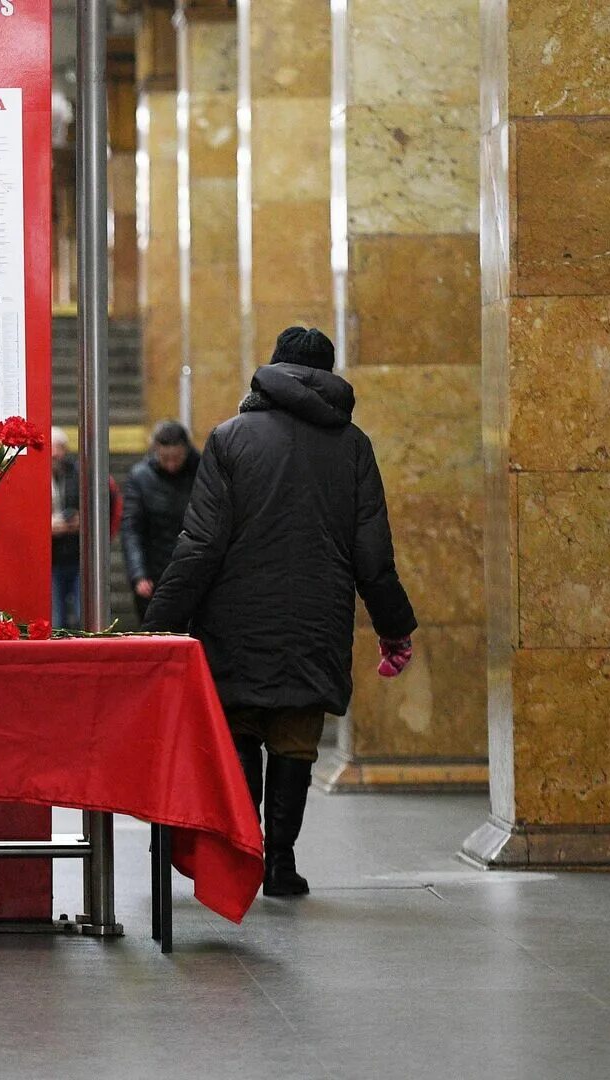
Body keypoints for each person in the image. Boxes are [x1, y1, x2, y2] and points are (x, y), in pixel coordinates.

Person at [143, 326, 416, 897]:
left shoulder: (230, 438)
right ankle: (280, 864)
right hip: (317, 621)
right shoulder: (354, 446)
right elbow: (373, 552)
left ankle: (243, 851)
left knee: (240, 728)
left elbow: (200, 544)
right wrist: (394, 626)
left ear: (272, 369)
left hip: (235, 621)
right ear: (332, 376)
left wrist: (160, 624)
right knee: (295, 741)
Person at [120, 420, 199, 624]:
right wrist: (138, 574)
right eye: (165, 458)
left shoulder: (202, 471)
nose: (171, 464)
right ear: (156, 450)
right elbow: (131, 529)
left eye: (177, 458)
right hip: (154, 575)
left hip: (192, 573)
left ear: (186, 451)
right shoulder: (140, 477)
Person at [50, 427, 82, 628]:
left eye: (58, 448)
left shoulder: (78, 474)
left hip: (77, 554)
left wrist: (81, 521)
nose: (55, 454)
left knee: (82, 616)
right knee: (56, 619)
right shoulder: (35, 475)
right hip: (51, 558)